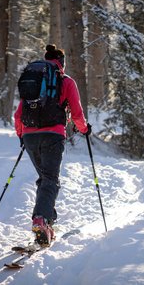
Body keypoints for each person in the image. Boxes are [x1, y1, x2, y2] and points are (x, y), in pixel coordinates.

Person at [14, 44, 91, 246]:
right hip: (53, 135)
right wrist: (84, 129)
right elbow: (76, 113)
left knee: (45, 178)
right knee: (50, 179)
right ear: (61, 62)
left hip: (30, 137)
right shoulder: (65, 81)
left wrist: (22, 135)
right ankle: (41, 219)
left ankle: (48, 221)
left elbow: (18, 114)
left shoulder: (34, 79)